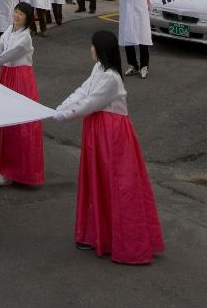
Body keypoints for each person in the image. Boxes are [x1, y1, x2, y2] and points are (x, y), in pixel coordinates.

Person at [46, 30, 164, 265]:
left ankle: (125, 240)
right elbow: (83, 90)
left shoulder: (111, 77)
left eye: (93, 46)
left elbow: (91, 102)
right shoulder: (99, 69)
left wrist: (64, 115)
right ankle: (99, 234)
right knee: (98, 181)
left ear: (101, 49)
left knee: (118, 185)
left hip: (112, 135)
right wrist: (61, 106)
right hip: (98, 131)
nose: (90, 49)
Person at [0, 2, 45, 188]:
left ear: (28, 18)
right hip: (8, 76)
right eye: (16, 12)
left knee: (18, 126)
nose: (17, 16)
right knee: (5, 122)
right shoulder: (10, 30)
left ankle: (14, 170)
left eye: (21, 14)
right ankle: (3, 166)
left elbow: (8, 54)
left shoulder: (25, 37)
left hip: (21, 80)